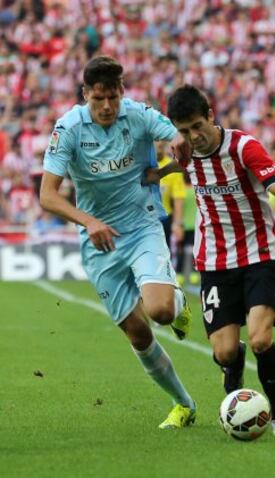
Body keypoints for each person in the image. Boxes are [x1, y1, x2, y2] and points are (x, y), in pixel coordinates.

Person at [39, 56, 196, 429]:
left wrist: (176, 151)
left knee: (159, 312)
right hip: (99, 241)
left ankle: (176, 301)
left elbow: (176, 135)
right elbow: (47, 195)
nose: (107, 107)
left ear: (121, 91)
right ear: (85, 95)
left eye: (112, 96)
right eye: (98, 99)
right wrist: (89, 221)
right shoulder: (69, 128)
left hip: (142, 226)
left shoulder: (139, 115)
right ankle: (184, 404)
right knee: (138, 333)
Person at [147, 84, 275, 438]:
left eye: (198, 126)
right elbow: (180, 163)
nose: (193, 136)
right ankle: (235, 368)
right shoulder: (186, 151)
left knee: (262, 339)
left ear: (211, 116)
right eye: (183, 130)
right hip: (215, 263)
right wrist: (158, 174)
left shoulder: (244, 147)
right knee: (227, 352)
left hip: (259, 256)